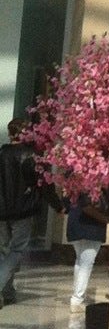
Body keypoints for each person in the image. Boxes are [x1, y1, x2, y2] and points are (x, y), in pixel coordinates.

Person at [0, 119, 40, 307]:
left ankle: (8, 292)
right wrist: (58, 205)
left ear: (10, 134)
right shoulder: (30, 156)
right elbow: (41, 183)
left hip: (2, 212)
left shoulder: (1, 153)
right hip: (22, 211)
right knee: (16, 250)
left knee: (3, 251)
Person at [68, 190, 109, 311]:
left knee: (80, 262)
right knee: (86, 263)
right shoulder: (98, 183)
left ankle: (77, 296)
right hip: (93, 226)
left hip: (75, 222)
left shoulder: (74, 182)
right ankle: (77, 299)